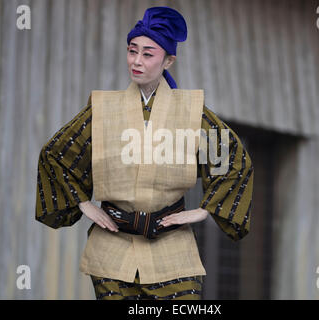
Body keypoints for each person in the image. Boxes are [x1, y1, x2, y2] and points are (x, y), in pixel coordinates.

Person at [35, 6, 254, 300]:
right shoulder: (103, 109)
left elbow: (233, 162)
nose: (136, 61)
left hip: (171, 247)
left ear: (168, 60)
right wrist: (84, 204)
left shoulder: (190, 112)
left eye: (148, 54)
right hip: (112, 247)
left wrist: (202, 211)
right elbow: (55, 155)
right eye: (131, 50)